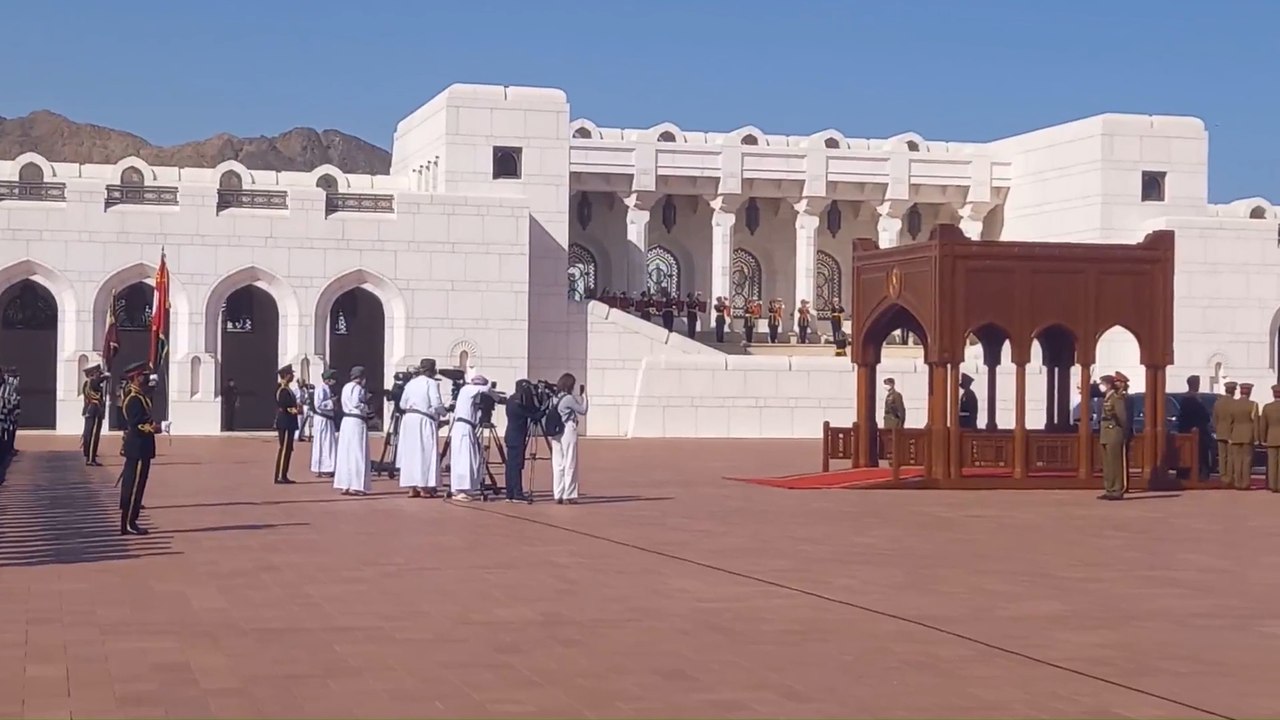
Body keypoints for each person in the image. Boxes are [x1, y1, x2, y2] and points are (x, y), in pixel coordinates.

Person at [119, 361, 161, 535]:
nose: (146, 377)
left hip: (141, 447)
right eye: (143, 375)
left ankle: (131, 520)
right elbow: (136, 424)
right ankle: (129, 522)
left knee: (138, 484)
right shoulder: (133, 398)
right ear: (136, 377)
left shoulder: (139, 395)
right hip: (137, 447)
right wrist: (154, 428)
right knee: (134, 485)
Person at [397, 358, 448, 498]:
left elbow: (402, 404)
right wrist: (444, 412)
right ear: (432, 370)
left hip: (409, 420)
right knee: (425, 452)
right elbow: (436, 403)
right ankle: (424, 487)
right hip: (424, 419)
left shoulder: (411, 383)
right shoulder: (431, 383)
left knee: (411, 453)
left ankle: (412, 487)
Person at [448, 374, 492, 501]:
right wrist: (495, 395)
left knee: (471, 458)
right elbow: (486, 389)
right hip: (463, 427)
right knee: (464, 458)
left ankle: (466, 488)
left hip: (468, 427)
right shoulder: (468, 389)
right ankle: (459, 489)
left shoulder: (470, 394)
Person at [550, 373, 588, 504]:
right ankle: (569, 494)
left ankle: (558, 493)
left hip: (555, 431)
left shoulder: (554, 398)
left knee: (558, 464)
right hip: (567, 428)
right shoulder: (568, 398)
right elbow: (583, 410)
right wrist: (584, 397)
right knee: (570, 461)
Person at [334, 366, 372, 496]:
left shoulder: (346, 387)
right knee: (357, 452)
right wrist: (366, 407)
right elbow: (356, 403)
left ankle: (345, 484)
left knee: (346, 452)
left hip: (346, 421)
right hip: (356, 420)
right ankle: (356, 485)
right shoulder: (358, 388)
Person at [503, 380, 543, 502]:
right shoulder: (517, 404)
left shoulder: (511, 400)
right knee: (515, 465)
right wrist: (545, 407)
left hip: (512, 436)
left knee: (511, 465)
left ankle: (510, 493)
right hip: (516, 438)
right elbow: (535, 415)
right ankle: (517, 493)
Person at [1098, 372, 1130, 501]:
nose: (1101, 386)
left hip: (1114, 432)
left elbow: (1122, 417)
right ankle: (1109, 488)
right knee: (1107, 464)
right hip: (1105, 434)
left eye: (1102, 383)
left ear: (1108, 385)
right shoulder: (1107, 398)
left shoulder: (1116, 398)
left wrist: (1123, 431)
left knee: (1115, 463)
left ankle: (1117, 490)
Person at [1175, 375, 1211, 478]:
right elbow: (1196, 415)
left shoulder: (1193, 398)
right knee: (1195, 453)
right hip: (1193, 431)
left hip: (1196, 430)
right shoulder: (1190, 400)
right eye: (1197, 383)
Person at [273, 364, 300, 485]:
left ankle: (284, 474)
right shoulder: (282, 390)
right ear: (286, 375)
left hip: (289, 422)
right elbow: (284, 406)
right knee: (284, 448)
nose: (292, 376)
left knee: (288, 448)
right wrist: (295, 410)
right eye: (291, 374)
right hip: (285, 421)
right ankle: (280, 475)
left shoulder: (287, 389)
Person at [1228, 382, 1258, 490]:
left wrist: (1230, 435)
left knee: (1236, 460)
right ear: (1249, 392)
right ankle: (1245, 483)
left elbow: (1230, 421)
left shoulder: (1233, 404)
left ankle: (1237, 482)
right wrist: (1256, 437)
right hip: (1247, 435)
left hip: (1235, 435)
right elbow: (1255, 422)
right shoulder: (1253, 404)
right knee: (1247, 460)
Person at [310, 370, 338, 478]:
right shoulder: (321, 389)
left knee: (329, 443)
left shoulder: (328, 389)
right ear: (328, 380)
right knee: (324, 443)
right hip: (322, 419)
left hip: (328, 419)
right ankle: (323, 467)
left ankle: (328, 466)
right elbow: (318, 405)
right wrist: (332, 402)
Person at [81, 364, 107, 466]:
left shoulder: (88, 383)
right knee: (93, 435)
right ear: (93, 374)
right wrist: (105, 376)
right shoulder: (92, 382)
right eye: (97, 373)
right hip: (94, 410)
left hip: (90, 410)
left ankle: (88, 453)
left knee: (89, 433)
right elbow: (98, 382)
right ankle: (90, 458)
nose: (99, 374)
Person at [1213, 380, 1237, 481]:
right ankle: (1229, 475)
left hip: (1220, 432)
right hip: (1231, 432)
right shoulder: (1235, 403)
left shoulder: (1218, 403)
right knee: (1230, 455)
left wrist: (1217, 429)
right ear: (1233, 391)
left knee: (1222, 455)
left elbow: (1214, 418)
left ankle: (1222, 475)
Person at [1258, 384, 1280, 493]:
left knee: (1272, 463)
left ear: (1273, 394)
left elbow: (1263, 425)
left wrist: (1262, 439)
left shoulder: (1267, 407)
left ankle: (1272, 485)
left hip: (1271, 438)